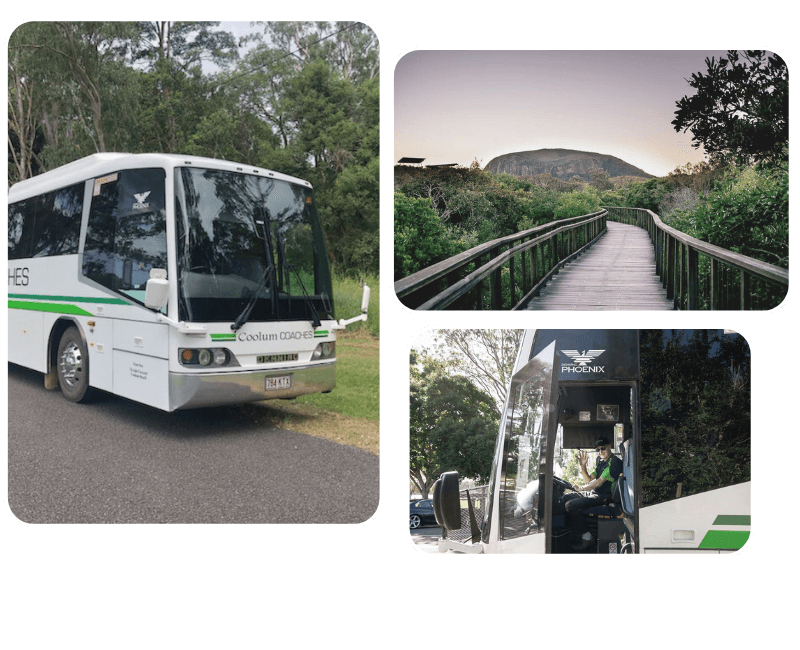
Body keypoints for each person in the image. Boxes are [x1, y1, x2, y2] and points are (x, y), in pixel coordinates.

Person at [560, 437, 623, 551]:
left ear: (609, 446)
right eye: (598, 450)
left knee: (570, 505)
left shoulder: (614, 463)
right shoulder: (601, 461)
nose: (600, 452)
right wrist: (583, 466)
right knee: (565, 498)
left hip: (603, 497)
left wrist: (581, 488)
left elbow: (598, 483)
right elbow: (588, 479)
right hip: (593, 493)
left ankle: (587, 536)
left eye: (602, 448)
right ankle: (568, 534)